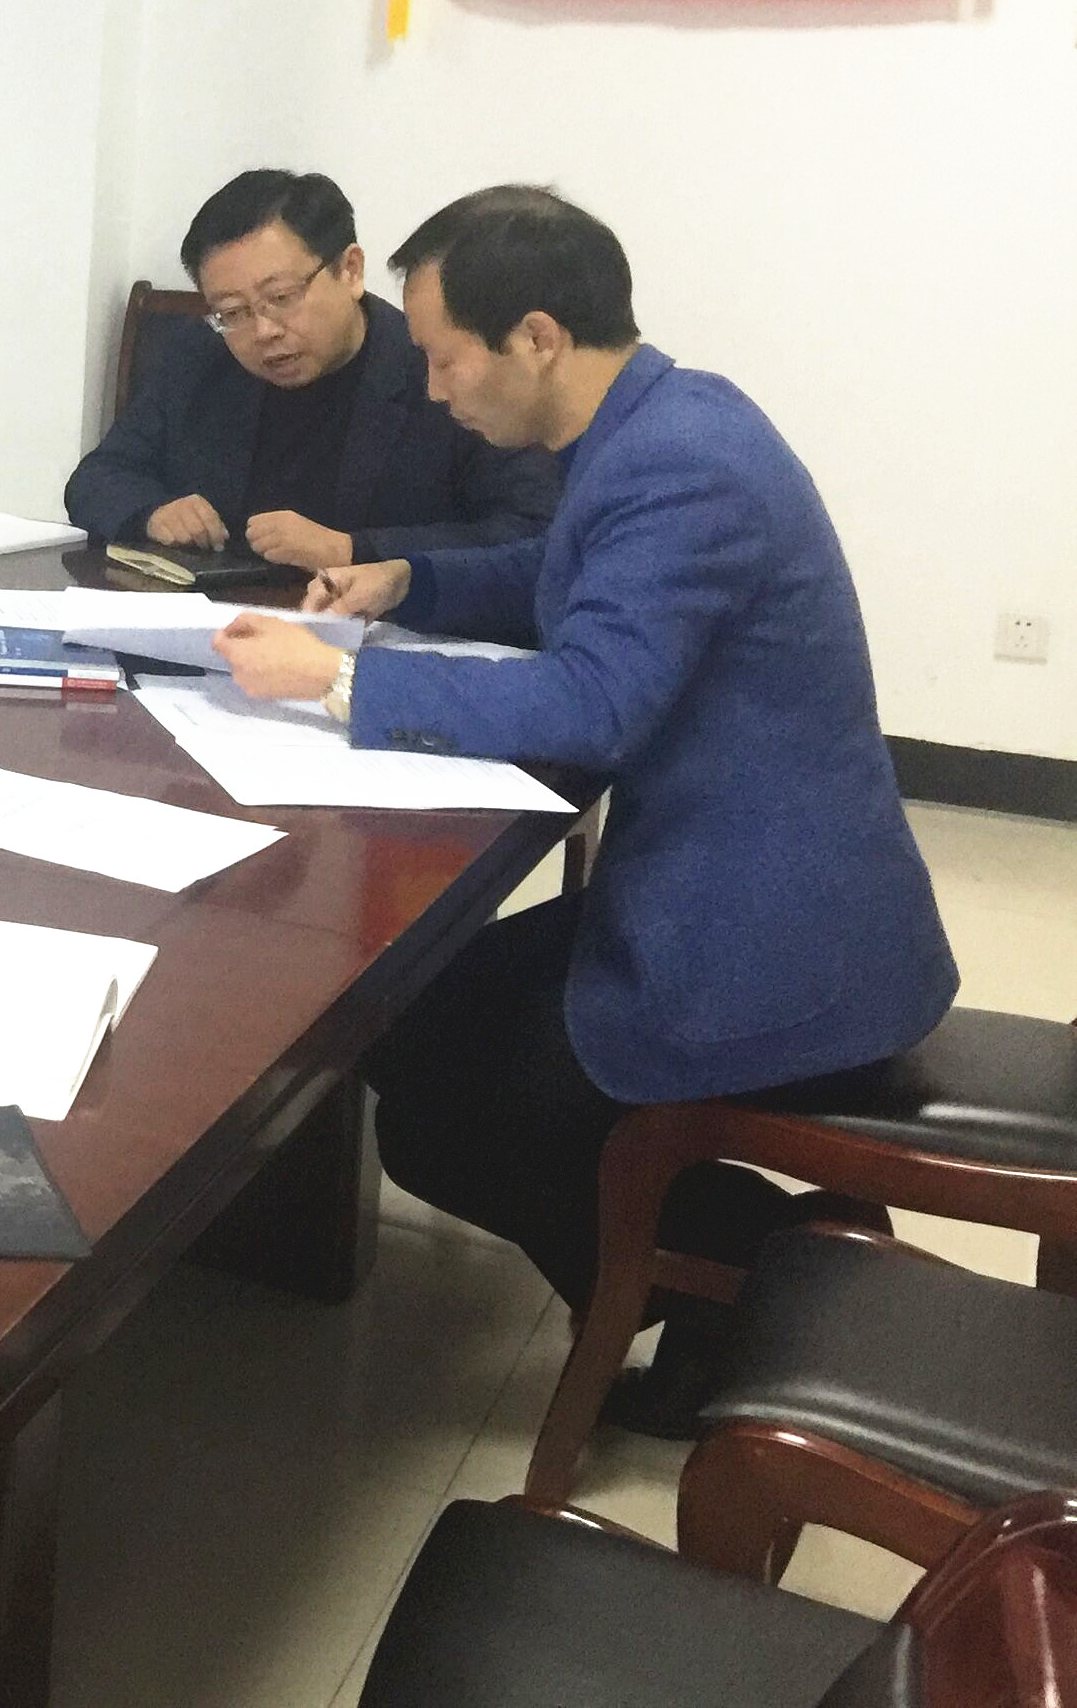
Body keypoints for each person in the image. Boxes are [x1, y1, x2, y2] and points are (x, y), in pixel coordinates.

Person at [214, 185, 956, 1426]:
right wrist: (406, 578)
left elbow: (596, 702)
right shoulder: (663, 418)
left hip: (769, 938)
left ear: (538, 338)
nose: (435, 391)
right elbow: (566, 577)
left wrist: (340, 680)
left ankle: (754, 1284)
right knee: (407, 1013)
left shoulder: (680, 465)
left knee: (447, 1120)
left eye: (446, 360)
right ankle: (737, 1261)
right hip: (710, 882)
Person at [67, 168, 559, 569]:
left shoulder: (436, 367)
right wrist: (153, 513)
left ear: (350, 270)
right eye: (233, 312)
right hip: (224, 629)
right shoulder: (200, 355)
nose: (263, 330)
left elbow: (529, 532)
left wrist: (352, 551)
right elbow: (97, 477)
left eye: (282, 297)